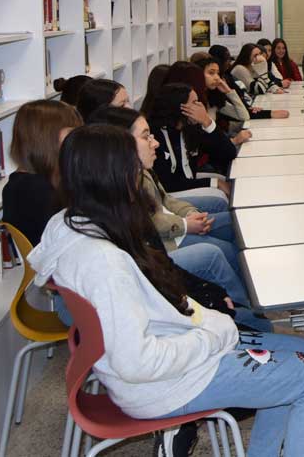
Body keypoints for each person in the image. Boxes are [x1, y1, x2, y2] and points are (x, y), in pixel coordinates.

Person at [29, 125, 304, 457]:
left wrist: (209, 326)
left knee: (300, 354)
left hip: (166, 362)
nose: (139, 174)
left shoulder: (71, 226)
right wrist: (210, 337)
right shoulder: (104, 262)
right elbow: (137, 361)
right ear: (112, 176)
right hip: (165, 384)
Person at [86, 104, 265, 332]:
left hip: (168, 239)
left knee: (231, 223)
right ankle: (246, 313)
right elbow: (153, 226)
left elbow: (166, 199)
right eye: (146, 137)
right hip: (169, 241)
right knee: (216, 251)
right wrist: (185, 225)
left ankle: (247, 302)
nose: (155, 143)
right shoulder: (123, 188)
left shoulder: (141, 170)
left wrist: (189, 213)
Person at [3, 100, 82, 245]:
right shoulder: (35, 189)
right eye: (71, 133)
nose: (76, 140)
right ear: (47, 137)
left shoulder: (24, 182)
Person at [147, 83, 235, 202]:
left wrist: (207, 122)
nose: (200, 107)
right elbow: (167, 184)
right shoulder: (156, 135)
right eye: (194, 103)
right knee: (219, 199)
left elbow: (229, 154)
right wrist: (213, 183)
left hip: (186, 181)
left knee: (226, 181)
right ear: (179, 107)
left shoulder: (190, 128)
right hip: (168, 194)